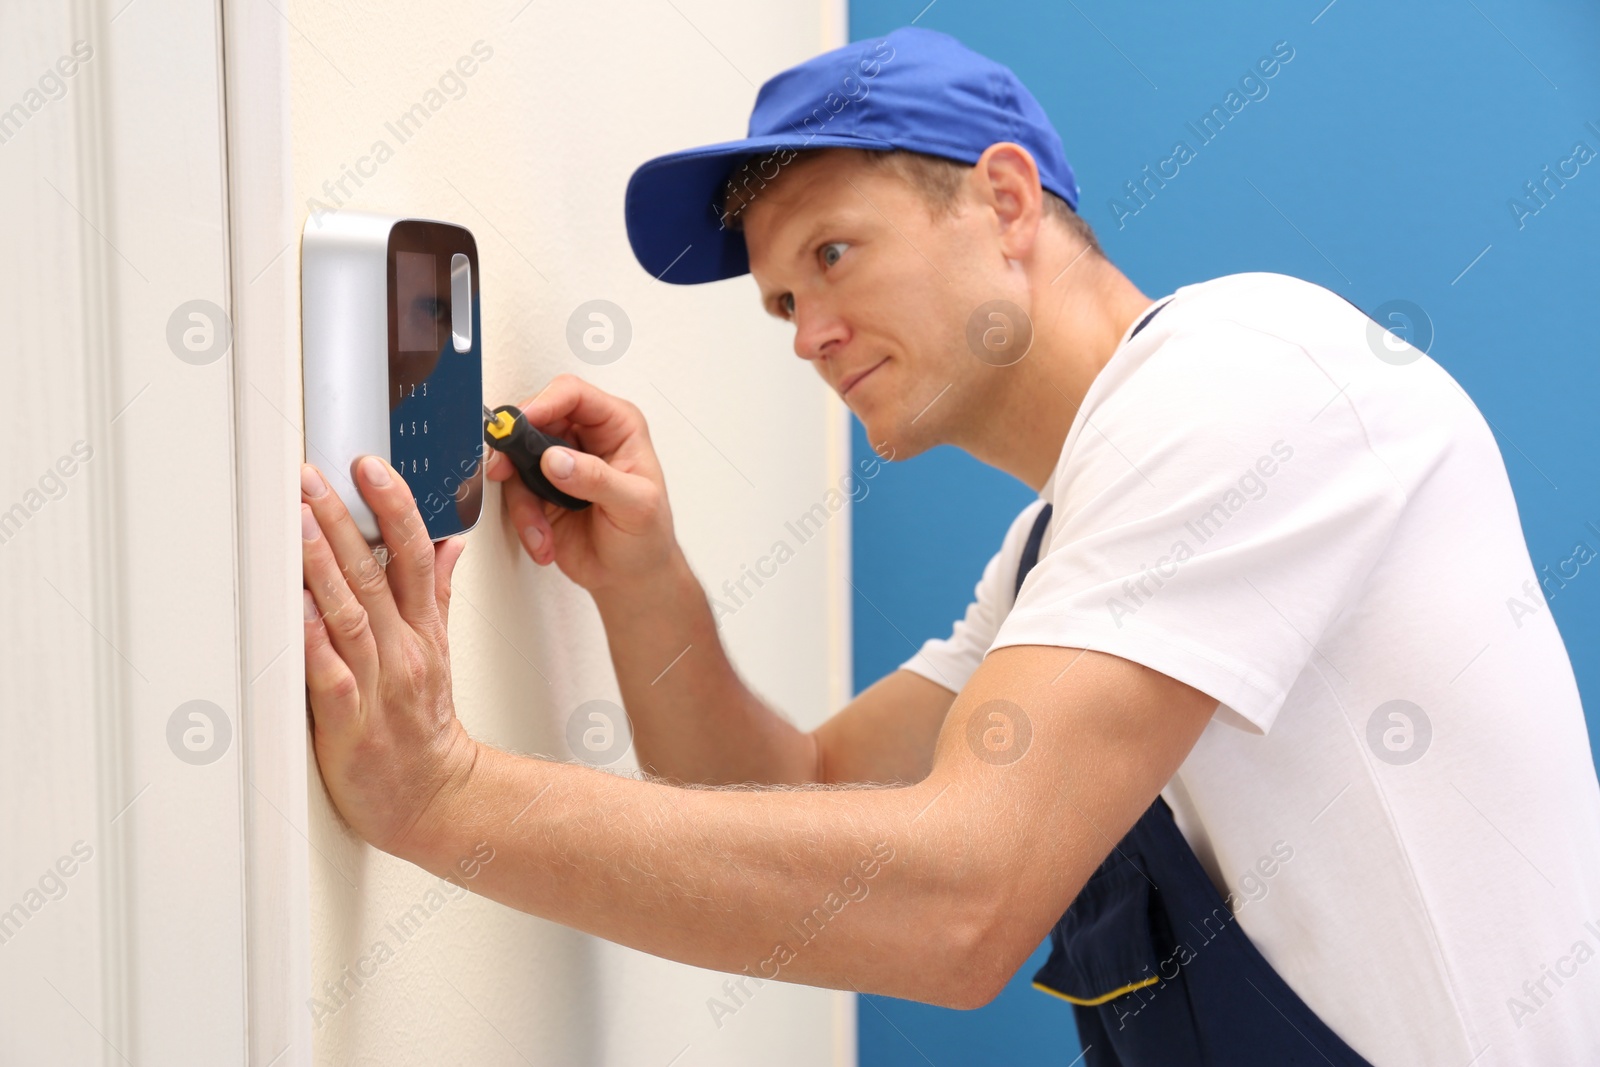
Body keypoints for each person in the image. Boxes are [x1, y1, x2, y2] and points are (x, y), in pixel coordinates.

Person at [298, 26, 1600, 1066]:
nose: (809, 332)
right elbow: (799, 808)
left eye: (835, 251)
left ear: (1006, 198)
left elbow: (959, 904)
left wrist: (440, 795)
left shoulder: (1246, 381)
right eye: (784, 302)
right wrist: (647, 582)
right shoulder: (1060, 553)